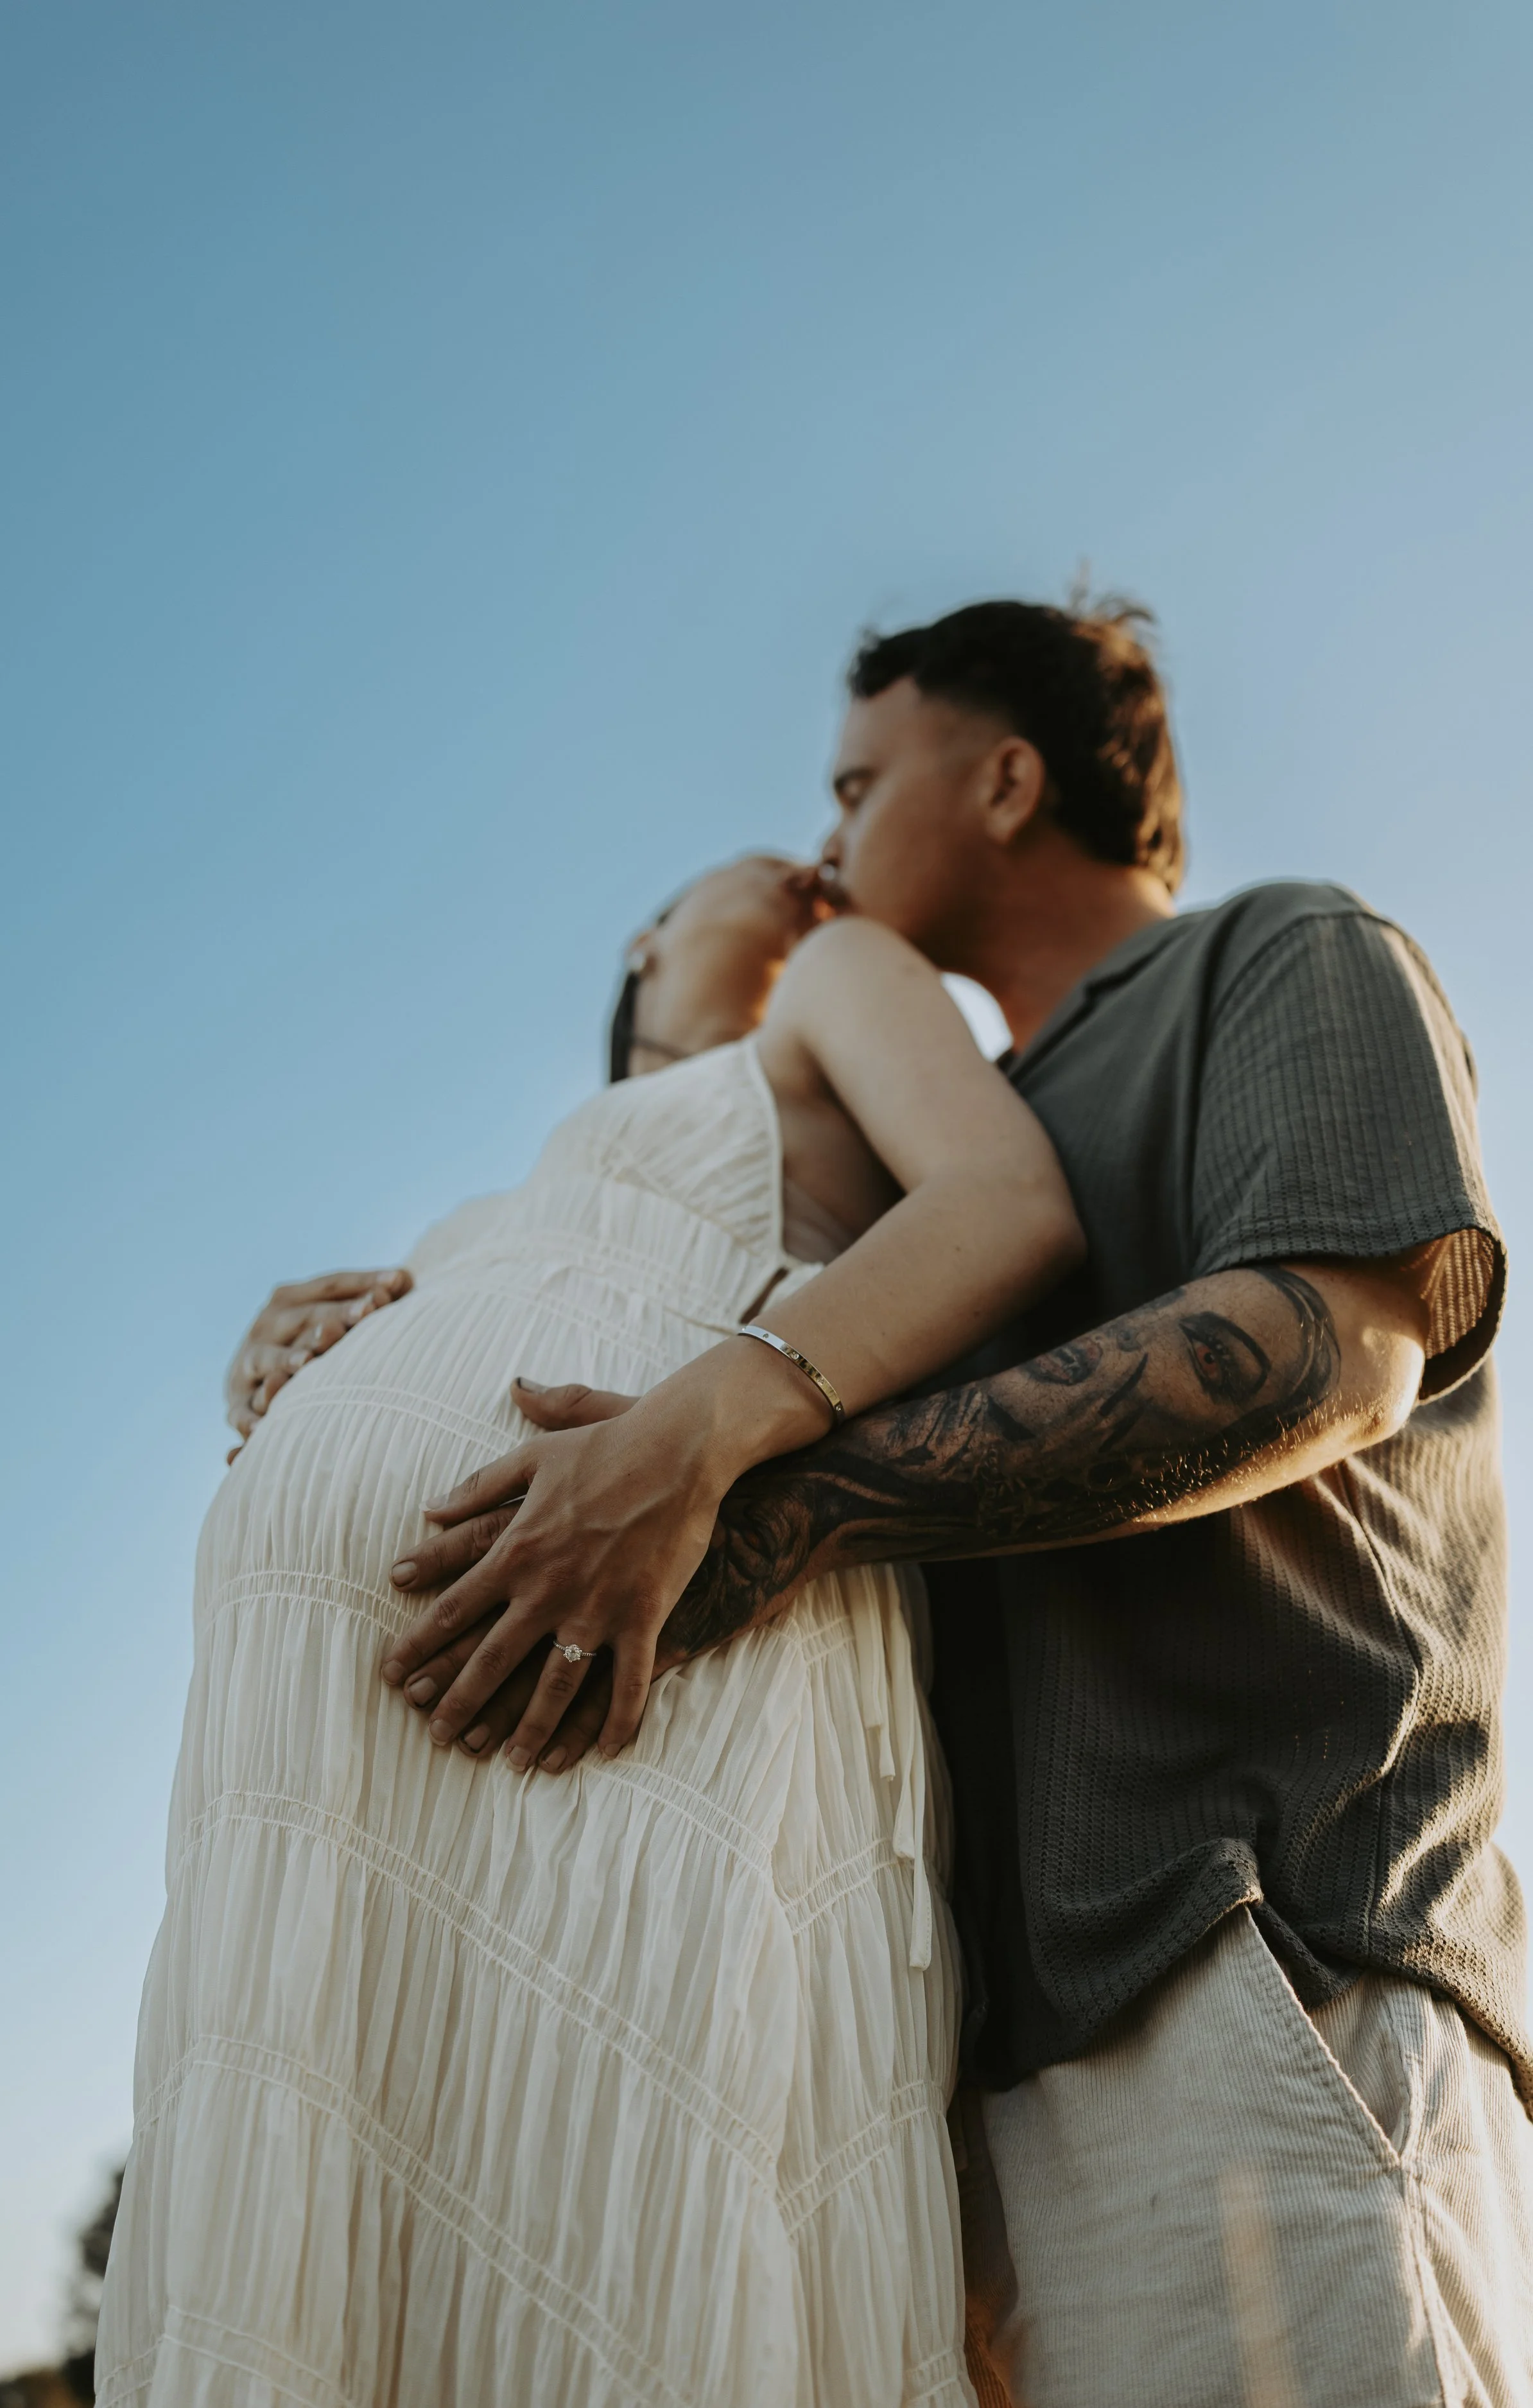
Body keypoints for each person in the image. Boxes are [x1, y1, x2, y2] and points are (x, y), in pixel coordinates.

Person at [388, 598, 1531, 2408]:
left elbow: (1325, 1344)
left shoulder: (1281, 950)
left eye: (857, 784)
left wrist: (782, 1505)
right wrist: (407, 1314)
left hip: (1255, 1950)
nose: (824, 835)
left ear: (1004, 782)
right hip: (972, 2058)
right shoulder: (955, 1125)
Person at [95, 855, 1086, 2408]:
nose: (818, 867)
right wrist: (288, 1361)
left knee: (635, 2169)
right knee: (356, 2212)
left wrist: (709, 1423)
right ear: (647, 936)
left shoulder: (834, 978)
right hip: (323, 1768)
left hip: (656, 1616)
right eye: (769, 859)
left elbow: (1005, 1208)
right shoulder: (526, 1183)